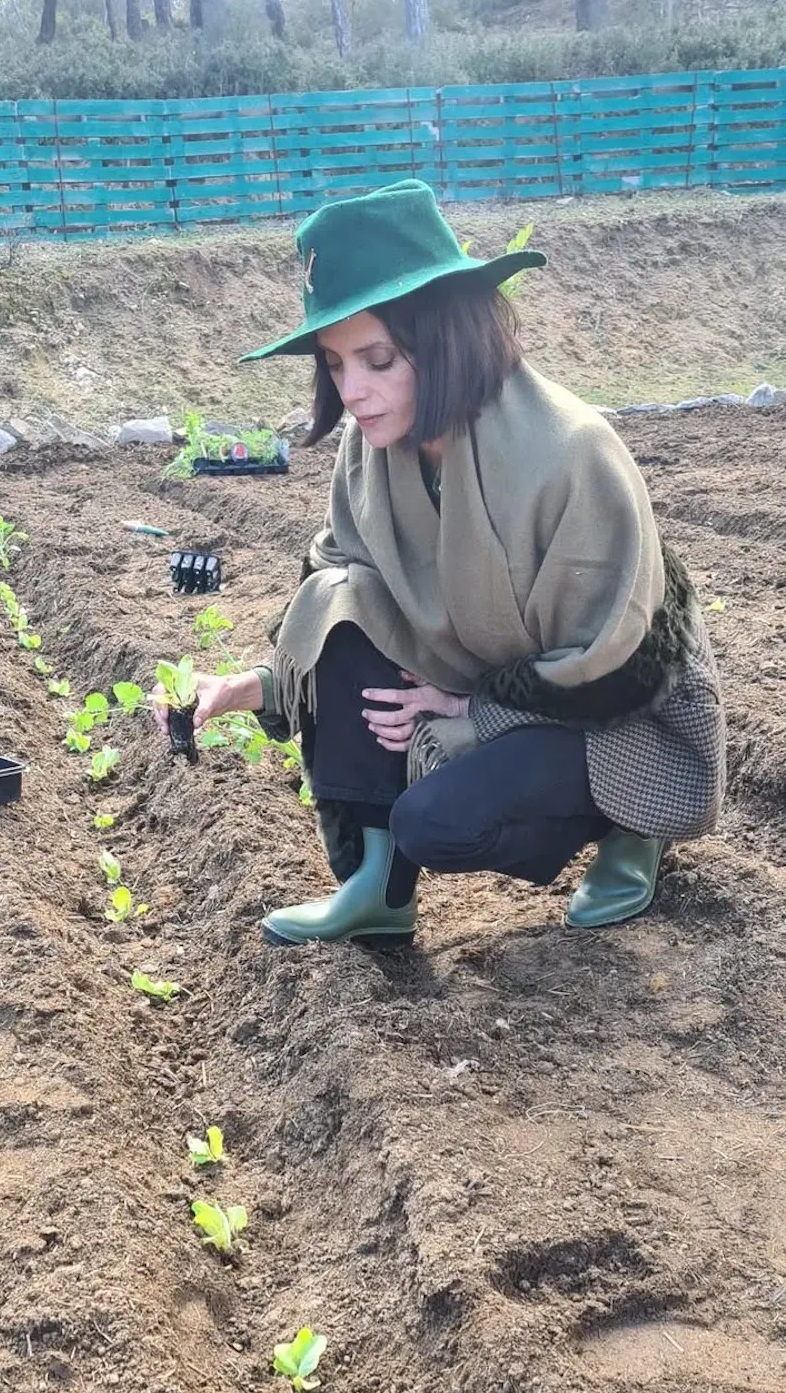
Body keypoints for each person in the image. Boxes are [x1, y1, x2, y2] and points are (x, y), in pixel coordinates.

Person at [153, 179, 725, 949]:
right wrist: (242, 688)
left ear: (444, 336)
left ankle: (631, 821)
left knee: (440, 823)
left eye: (377, 359)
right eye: (334, 364)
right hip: (480, 674)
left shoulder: (569, 454)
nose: (352, 392)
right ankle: (377, 887)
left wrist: (474, 714)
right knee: (335, 593)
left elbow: (620, 662)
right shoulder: (370, 453)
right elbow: (338, 601)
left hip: (614, 709)